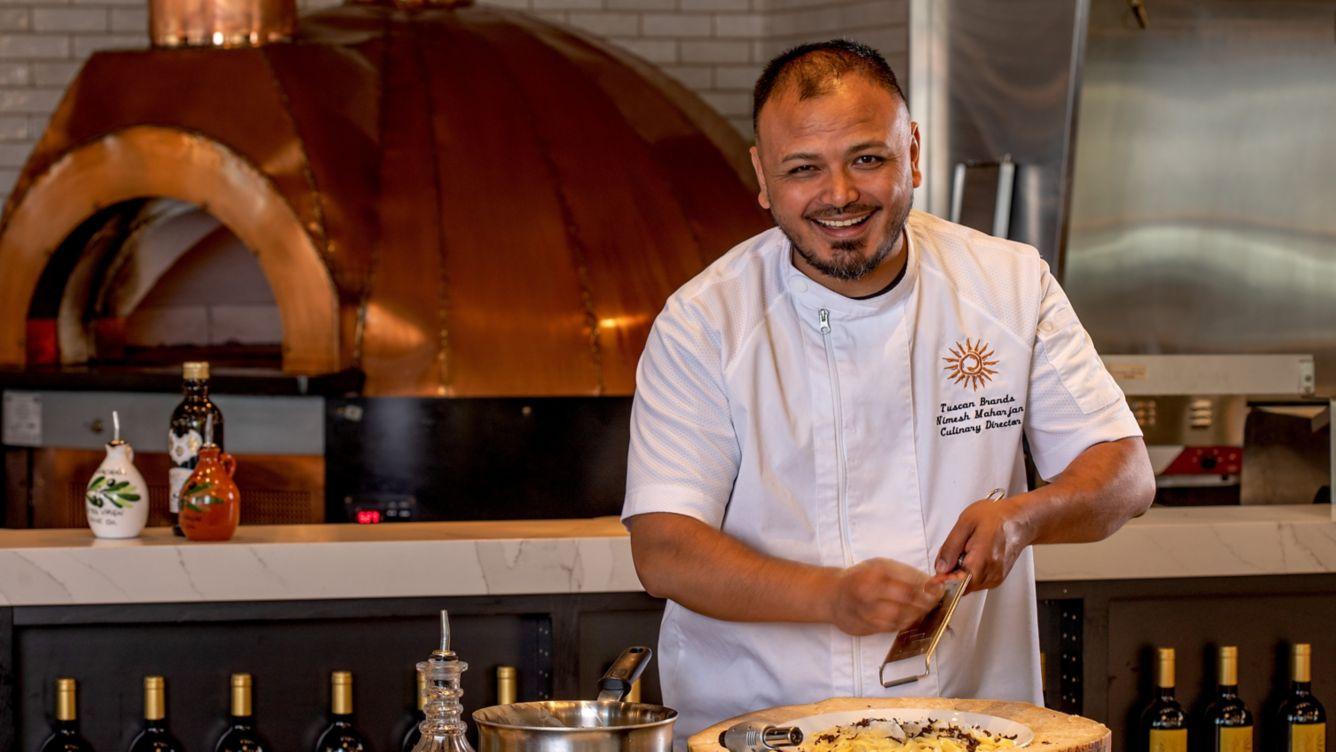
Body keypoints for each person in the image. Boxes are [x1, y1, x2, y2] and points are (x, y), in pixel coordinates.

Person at [621, 39, 1156, 740]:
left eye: (867, 159)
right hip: (760, 726)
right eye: (803, 169)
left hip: (972, 720)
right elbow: (663, 549)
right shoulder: (705, 323)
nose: (839, 195)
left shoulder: (1009, 284)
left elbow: (1125, 474)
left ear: (913, 152)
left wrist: (1024, 518)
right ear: (762, 175)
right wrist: (832, 596)